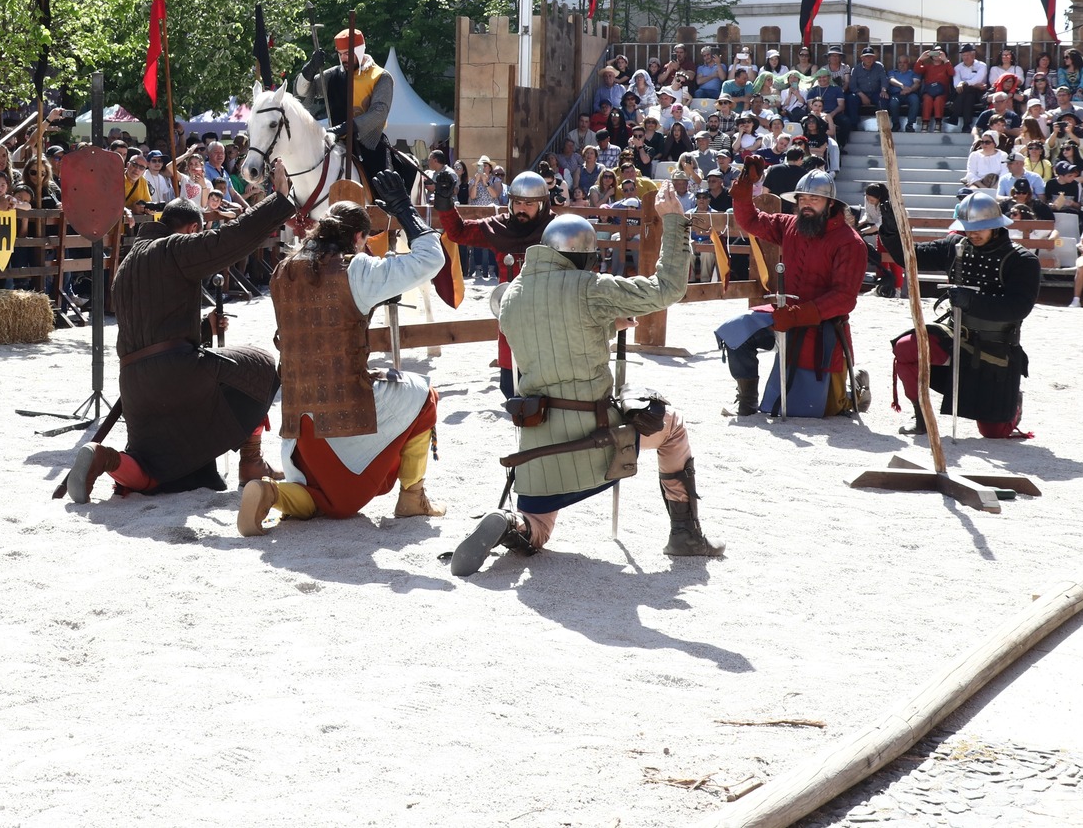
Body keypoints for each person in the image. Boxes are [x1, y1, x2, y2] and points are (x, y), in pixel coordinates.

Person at [451, 186, 723, 571]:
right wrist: (675, 222)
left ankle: (510, 523)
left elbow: (555, 339)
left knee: (539, 526)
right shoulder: (591, 288)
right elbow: (668, 288)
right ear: (582, 257)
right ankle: (686, 535)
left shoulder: (512, 296)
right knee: (673, 427)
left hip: (535, 440)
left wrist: (606, 324)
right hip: (595, 435)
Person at [237, 173, 445, 534]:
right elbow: (430, 259)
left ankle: (271, 493)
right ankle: (412, 496)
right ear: (358, 237)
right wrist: (404, 210)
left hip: (298, 427)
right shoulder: (356, 268)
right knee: (424, 394)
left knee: (323, 499)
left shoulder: (283, 270)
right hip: (344, 419)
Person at [70, 172, 296, 501]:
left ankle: (106, 458)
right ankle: (251, 462)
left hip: (134, 387)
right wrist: (279, 200)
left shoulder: (127, 264)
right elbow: (232, 238)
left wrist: (205, 330)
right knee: (259, 366)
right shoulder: (174, 248)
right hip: (176, 374)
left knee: (150, 470)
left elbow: (150, 326)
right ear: (191, 229)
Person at [716, 158, 864, 418]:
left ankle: (857, 390)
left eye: (815, 199)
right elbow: (751, 221)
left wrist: (798, 315)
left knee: (811, 410)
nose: (806, 204)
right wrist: (744, 193)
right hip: (783, 311)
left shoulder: (850, 243)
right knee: (736, 332)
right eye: (803, 199)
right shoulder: (789, 225)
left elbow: (843, 298)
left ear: (831, 204)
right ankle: (748, 402)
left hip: (821, 326)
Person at [892, 193, 1040, 438]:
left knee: (994, 433)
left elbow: (1019, 307)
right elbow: (909, 256)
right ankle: (921, 417)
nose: (973, 234)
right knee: (906, 347)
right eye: (969, 229)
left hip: (996, 346)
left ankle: (1013, 404)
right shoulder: (955, 247)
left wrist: (973, 301)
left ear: (996, 225)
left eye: (980, 228)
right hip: (956, 334)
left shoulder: (1023, 260)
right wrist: (890, 229)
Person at [435, 171, 555, 395]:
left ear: (542, 204)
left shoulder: (556, 230)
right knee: (510, 387)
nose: (521, 208)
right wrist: (444, 202)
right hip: (510, 315)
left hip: (548, 317)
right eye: (517, 202)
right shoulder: (498, 228)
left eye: (529, 204)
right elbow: (458, 232)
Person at [306, 27, 393, 179]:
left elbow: (379, 112)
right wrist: (309, 69)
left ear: (359, 51)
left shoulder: (380, 76)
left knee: (383, 184)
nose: (343, 58)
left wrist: (344, 128)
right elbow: (305, 92)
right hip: (335, 141)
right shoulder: (334, 75)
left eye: (347, 53)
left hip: (368, 143)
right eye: (340, 54)